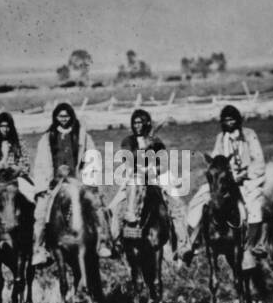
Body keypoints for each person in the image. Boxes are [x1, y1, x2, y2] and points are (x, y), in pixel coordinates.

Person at [182, 104, 267, 266]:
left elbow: (259, 161)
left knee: (254, 206)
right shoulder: (221, 138)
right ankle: (191, 242)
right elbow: (217, 158)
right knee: (199, 200)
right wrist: (218, 170)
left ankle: (251, 246)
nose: (229, 123)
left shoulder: (249, 135)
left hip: (247, 180)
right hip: (225, 180)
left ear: (238, 120)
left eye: (232, 120)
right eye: (225, 120)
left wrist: (243, 174)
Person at [30, 102, 113, 266]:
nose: (64, 119)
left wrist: (88, 179)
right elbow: (40, 164)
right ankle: (40, 249)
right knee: (40, 212)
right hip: (55, 183)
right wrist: (45, 184)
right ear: (55, 117)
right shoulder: (47, 138)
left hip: (78, 181)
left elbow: (92, 157)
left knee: (98, 205)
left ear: (71, 116)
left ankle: (104, 242)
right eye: (60, 116)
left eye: (66, 116)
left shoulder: (82, 136)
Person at [107, 108, 187, 256]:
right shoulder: (128, 141)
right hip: (134, 176)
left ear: (146, 124)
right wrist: (143, 149)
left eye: (140, 122)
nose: (137, 125)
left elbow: (163, 162)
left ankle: (183, 245)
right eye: (134, 123)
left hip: (156, 176)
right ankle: (116, 242)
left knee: (176, 206)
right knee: (116, 206)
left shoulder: (156, 141)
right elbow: (127, 159)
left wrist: (153, 169)